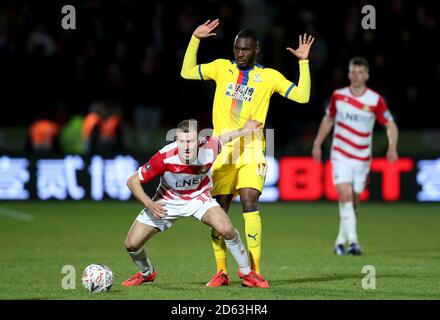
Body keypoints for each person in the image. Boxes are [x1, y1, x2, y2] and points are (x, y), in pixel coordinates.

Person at [181, 19, 314, 286]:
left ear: (256, 50)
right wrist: (195, 39)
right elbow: (186, 72)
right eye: (237, 48)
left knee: (250, 201)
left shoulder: (269, 77)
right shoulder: (221, 68)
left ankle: (253, 272)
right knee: (219, 210)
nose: (240, 53)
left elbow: (302, 96)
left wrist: (303, 62)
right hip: (221, 150)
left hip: (252, 149)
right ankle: (221, 271)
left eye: (245, 49)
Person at [121, 118, 270, 288]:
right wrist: (149, 203)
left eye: (190, 141)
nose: (185, 146)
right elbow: (132, 181)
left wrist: (245, 129)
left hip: (199, 198)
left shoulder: (208, 149)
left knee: (227, 229)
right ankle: (147, 273)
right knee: (131, 244)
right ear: (176, 140)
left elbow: (224, 138)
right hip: (167, 202)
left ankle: (246, 272)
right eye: (182, 141)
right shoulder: (164, 158)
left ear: (198, 141)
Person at [311, 57, 399, 256]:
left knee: (353, 202)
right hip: (340, 154)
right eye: (353, 71)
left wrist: (392, 147)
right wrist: (317, 143)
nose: (356, 75)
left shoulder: (375, 100)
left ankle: (339, 241)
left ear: (366, 75)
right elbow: (329, 119)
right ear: (349, 74)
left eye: (360, 72)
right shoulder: (338, 96)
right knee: (345, 195)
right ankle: (353, 243)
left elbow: (390, 125)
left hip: (362, 158)